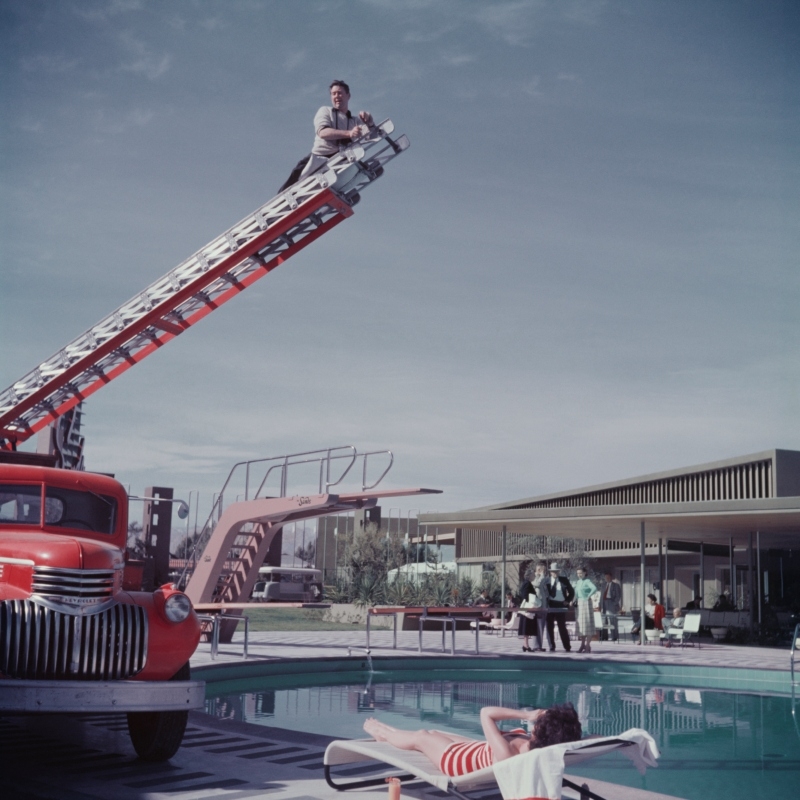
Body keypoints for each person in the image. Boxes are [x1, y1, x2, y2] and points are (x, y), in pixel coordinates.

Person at [362, 703, 582, 777]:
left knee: (422, 736)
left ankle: (383, 734)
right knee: (435, 732)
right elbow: (588, 738)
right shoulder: (542, 748)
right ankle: (390, 732)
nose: (535, 724)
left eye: (537, 724)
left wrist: (526, 715)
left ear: (539, 734)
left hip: (456, 761)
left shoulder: (509, 754)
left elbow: (486, 712)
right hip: (476, 750)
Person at [279, 80, 374, 192]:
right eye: (333, 94)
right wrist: (349, 133)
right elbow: (323, 132)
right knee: (290, 186)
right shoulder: (325, 111)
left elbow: (371, 136)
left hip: (340, 163)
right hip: (318, 159)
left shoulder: (355, 121)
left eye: (340, 93)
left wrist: (370, 122)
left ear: (348, 96)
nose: (336, 96)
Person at [517, 562, 547, 652]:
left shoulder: (527, 583)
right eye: (533, 574)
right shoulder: (527, 583)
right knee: (526, 627)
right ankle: (526, 645)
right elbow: (525, 594)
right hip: (528, 608)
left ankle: (525, 645)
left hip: (529, 609)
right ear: (529, 575)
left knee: (527, 627)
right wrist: (530, 601)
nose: (534, 575)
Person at [546, 562, 575, 652]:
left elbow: (572, 592)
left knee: (562, 626)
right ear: (550, 572)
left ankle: (567, 646)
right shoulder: (546, 581)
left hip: (560, 605)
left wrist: (567, 601)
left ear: (559, 572)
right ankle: (551, 646)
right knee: (549, 626)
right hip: (550, 604)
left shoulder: (564, 580)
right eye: (553, 571)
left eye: (556, 571)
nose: (555, 573)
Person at [571, 567, 597, 653]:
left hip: (586, 604)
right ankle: (582, 645)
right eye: (578, 573)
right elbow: (576, 594)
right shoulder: (578, 582)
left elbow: (594, 588)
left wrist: (589, 596)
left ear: (585, 573)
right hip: (579, 605)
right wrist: (573, 601)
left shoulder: (587, 581)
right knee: (581, 627)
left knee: (587, 625)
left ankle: (587, 645)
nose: (579, 575)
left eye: (581, 573)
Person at [599, 572, 622, 642]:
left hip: (611, 603)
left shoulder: (616, 585)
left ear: (611, 577)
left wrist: (614, 603)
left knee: (613, 620)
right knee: (604, 620)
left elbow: (618, 596)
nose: (607, 579)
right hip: (604, 603)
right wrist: (600, 605)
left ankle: (614, 637)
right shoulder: (603, 585)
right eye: (606, 578)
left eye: (608, 577)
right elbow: (601, 596)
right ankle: (604, 636)